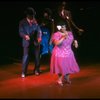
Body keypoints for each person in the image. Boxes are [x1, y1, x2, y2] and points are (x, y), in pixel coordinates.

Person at [50, 21, 80, 86]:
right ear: (59, 28)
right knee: (61, 67)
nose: (64, 28)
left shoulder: (70, 33)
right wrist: (63, 37)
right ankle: (59, 79)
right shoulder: (56, 34)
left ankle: (67, 78)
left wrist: (75, 42)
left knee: (68, 66)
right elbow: (57, 43)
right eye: (62, 27)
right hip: (59, 53)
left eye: (65, 26)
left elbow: (73, 41)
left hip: (69, 53)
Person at [19, 7, 42, 77]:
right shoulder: (22, 22)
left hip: (35, 42)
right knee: (26, 56)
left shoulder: (35, 21)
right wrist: (25, 36)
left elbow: (39, 30)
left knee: (37, 57)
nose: (33, 17)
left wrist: (39, 37)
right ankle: (23, 72)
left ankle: (36, 70)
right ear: (28, 15)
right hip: (27, 42)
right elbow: (20, 32)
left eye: (33, 15)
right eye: (31, 15)